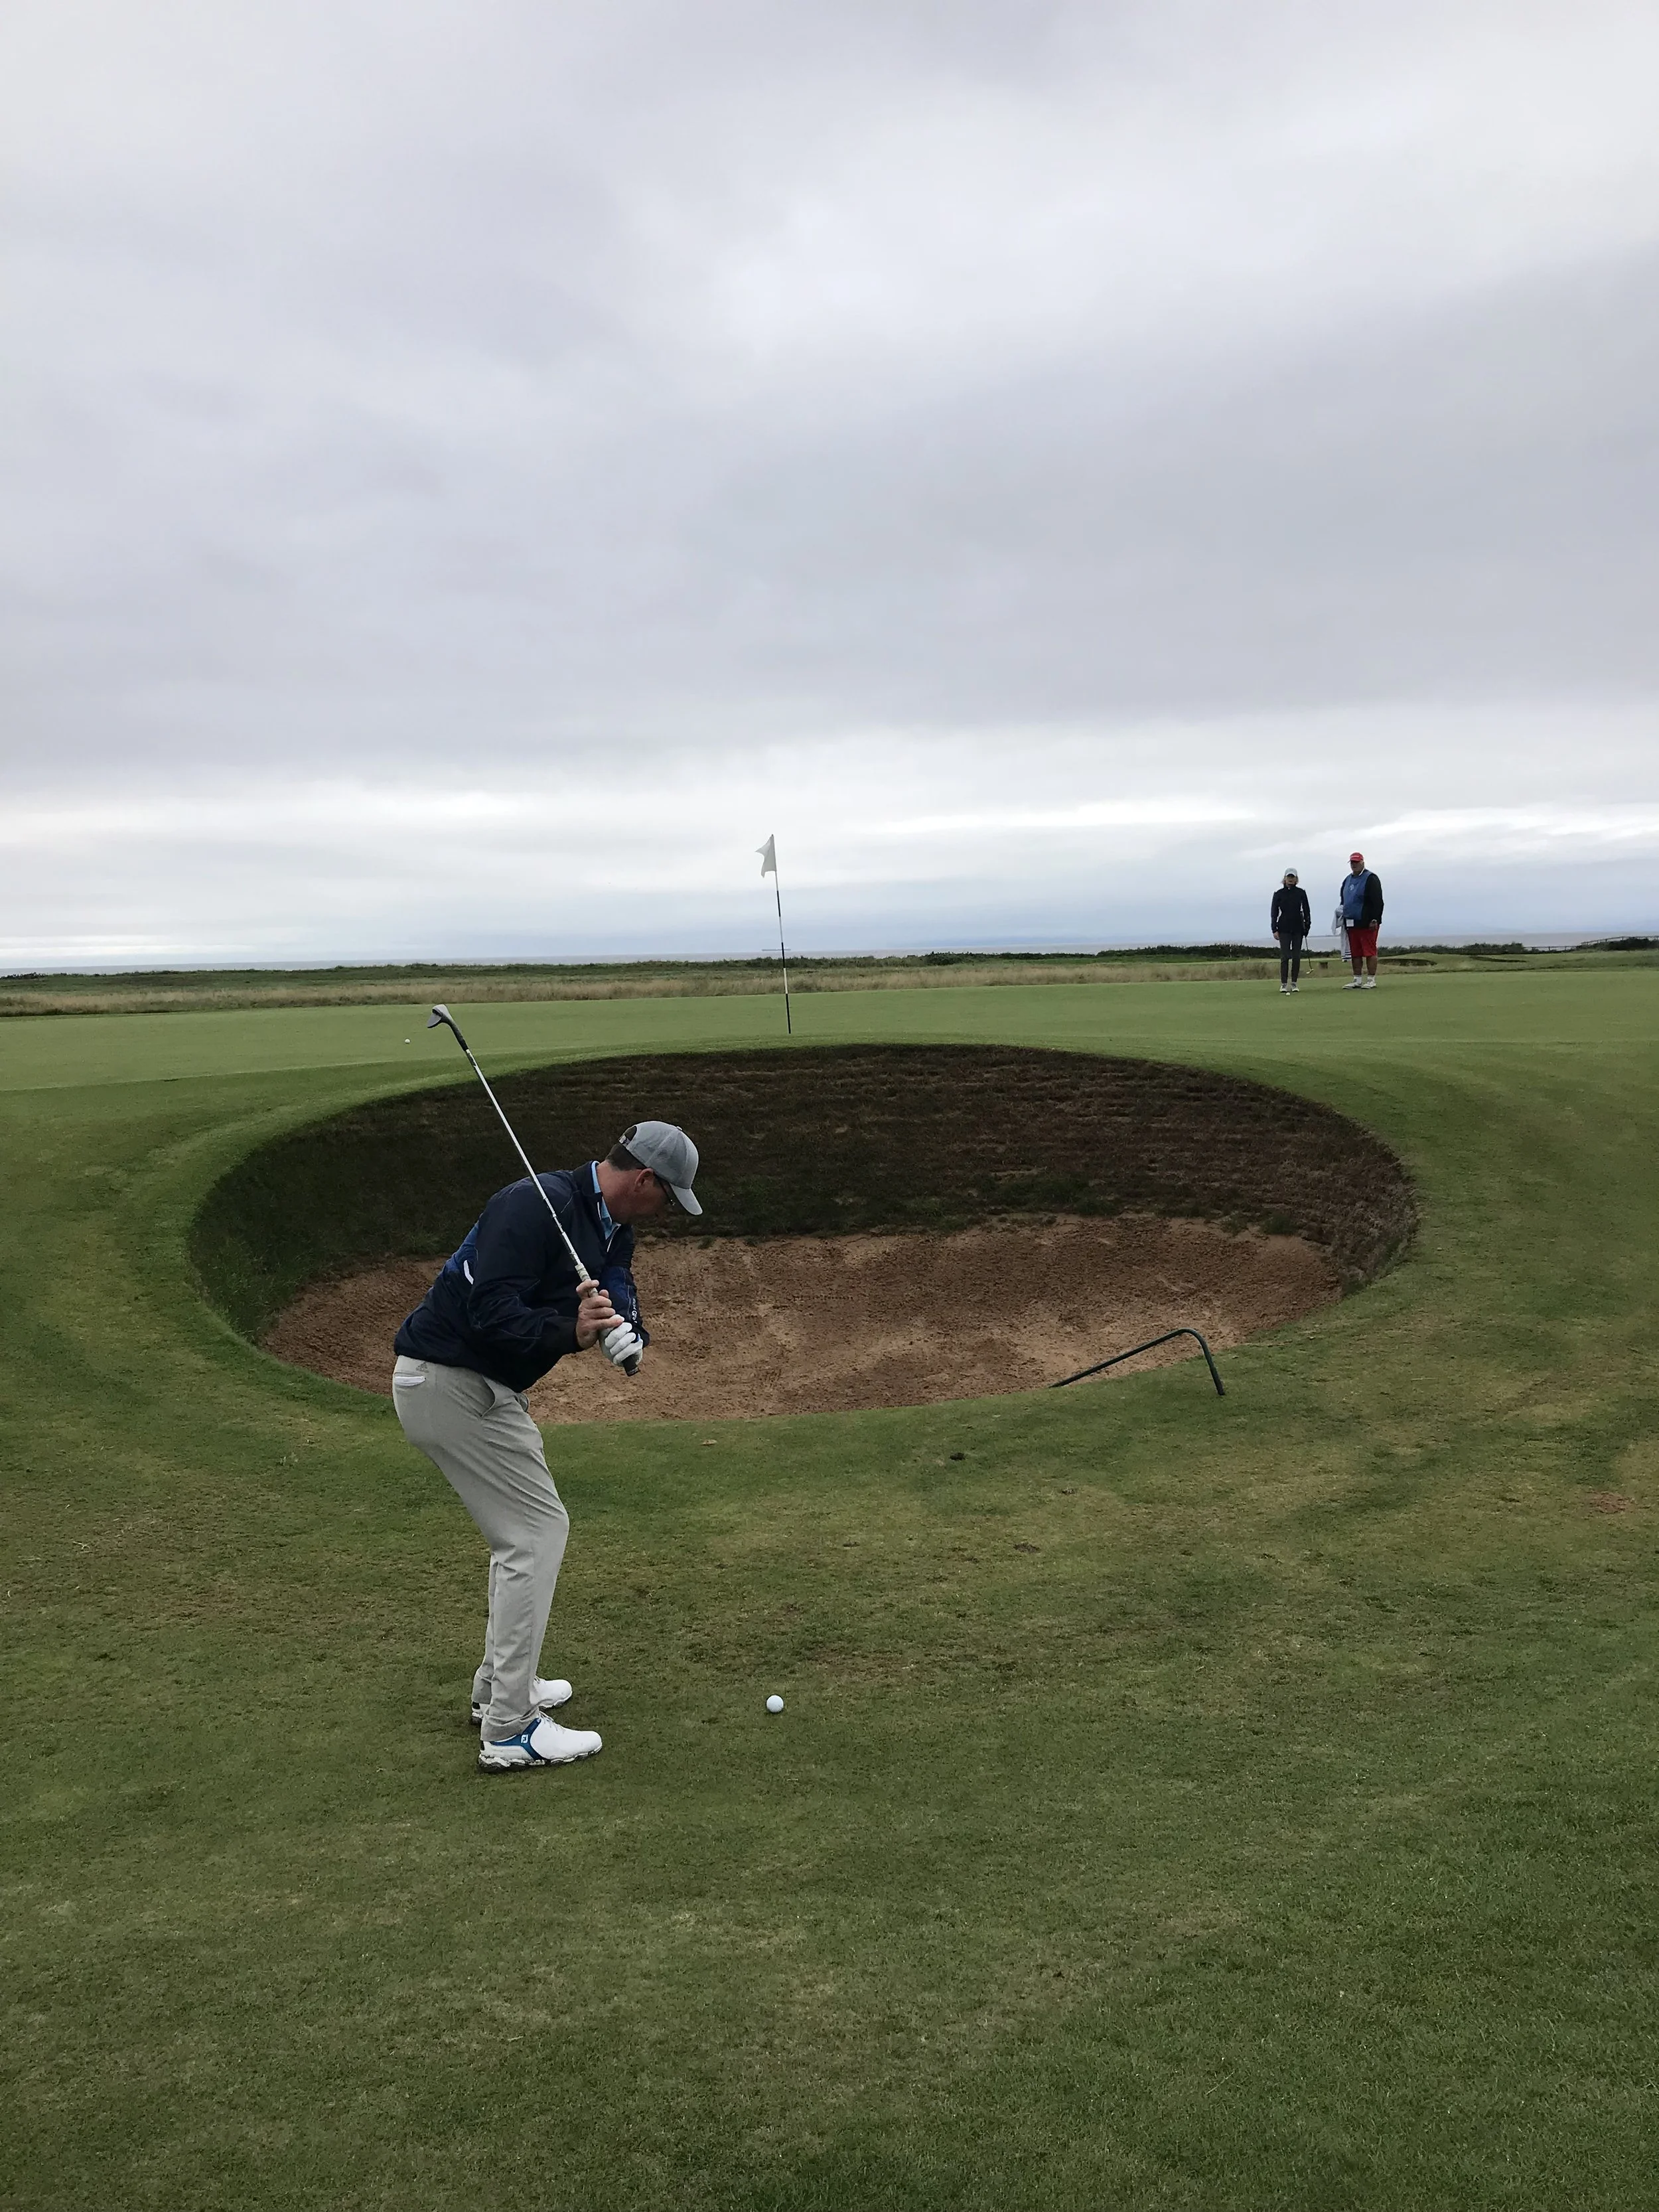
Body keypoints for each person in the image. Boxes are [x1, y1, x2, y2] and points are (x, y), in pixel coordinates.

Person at [391, 1120, 702, 1773]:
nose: (666, 1210)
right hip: (448, 1383)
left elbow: (614, 1282)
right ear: (644, 1179)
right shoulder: (532, 1205)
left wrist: (625, 1332)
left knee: (528, 1533)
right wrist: (569, 1331)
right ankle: (509, 1728)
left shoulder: (614, 1225)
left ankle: (496, 1690)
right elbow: (488, 1311)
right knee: (533, 1535)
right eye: (667, 1196)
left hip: (483, 1390)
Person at [1339, 850, 1384, 988]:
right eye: (1352, 862)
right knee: (1356, 952)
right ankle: (1357, 979)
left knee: (1369, 951)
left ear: (1362, 862)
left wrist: (1375, 919)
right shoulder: (1347, 880)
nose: (1354, 865)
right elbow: (1344, 899)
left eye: (1357, 862)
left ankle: (1371, 980)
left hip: (1367, 922)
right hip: (1351, 922)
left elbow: (1378, 901)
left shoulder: (1371, 878)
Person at [1269, 869, 1311, 993]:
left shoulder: (1301, 893)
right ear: (1285, 878)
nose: (1291, 879)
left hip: (1298, 928)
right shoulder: (1279, 894)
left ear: (1296, 879)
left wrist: (1307, 926)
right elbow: (1274, 913)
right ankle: (1283, 983)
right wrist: (1274, 929)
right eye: (1289, 877)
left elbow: (1307, 911)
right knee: (1285, 957)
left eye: (1293, 877)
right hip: (1284, 928)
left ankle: (1294, 983)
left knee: (1296, 957)